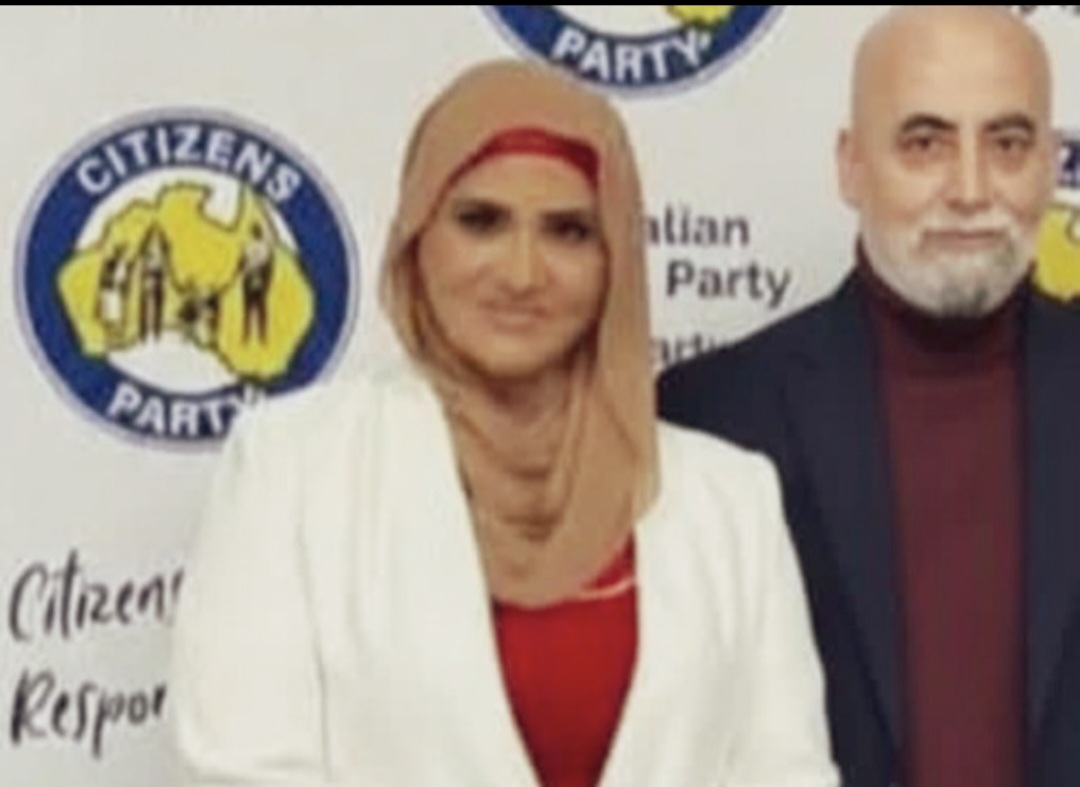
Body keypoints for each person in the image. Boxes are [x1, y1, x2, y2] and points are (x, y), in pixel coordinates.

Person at [170, 59, 836, 787]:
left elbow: (787, 770)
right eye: (481, 222)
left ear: (615, 258)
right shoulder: (291, 470)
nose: (522, 273)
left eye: (568, 231)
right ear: (416, 235)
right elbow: (240, 769)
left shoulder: (730, 500)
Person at [658, 7, 1080, 787]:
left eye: (1008, 143)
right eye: (924, 143)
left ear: (1052, 164)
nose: (970, 189)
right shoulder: (713, 416)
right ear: (851, 166)